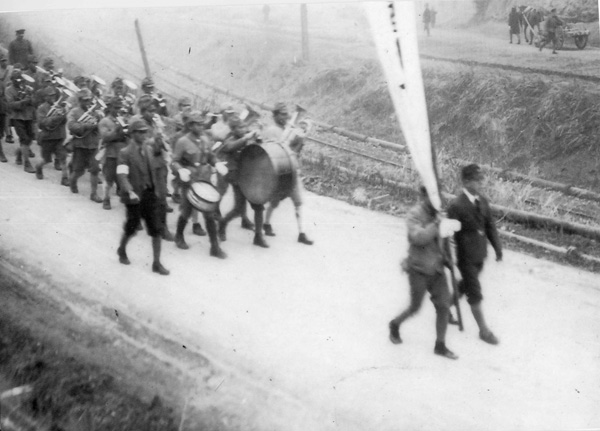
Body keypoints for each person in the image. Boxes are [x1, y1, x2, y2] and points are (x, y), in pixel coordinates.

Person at [388, 186, 460, 359]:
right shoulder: (414, 214)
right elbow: (418, 238)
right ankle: (395, 324)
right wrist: (436, 223)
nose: (437, 200)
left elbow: (444, 239)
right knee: (415, 307)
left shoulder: (440, 215)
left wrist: (448, 259)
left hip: (437, 270)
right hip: (418, 270)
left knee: (443, 306)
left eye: (438, 195)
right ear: (423, 196)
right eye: (432, 196)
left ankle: (440, 345)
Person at [447, 164, 502, 345]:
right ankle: (483, 331)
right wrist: (446, 255)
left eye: (481, 180)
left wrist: (497, 248)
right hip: (465, 257)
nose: (480, 184)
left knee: (464, 286)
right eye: (477, 180)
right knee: (474, 292)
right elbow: (448, 233)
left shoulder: (483, 202)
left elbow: (490, 226)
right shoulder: (457, 205)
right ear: (466, 181)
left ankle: (445, 306)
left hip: (480, 255)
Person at [115, 117, 170, 275]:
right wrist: (129, 190)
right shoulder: (125, 153)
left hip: (149, 194)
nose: (144, 135)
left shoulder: (148, 149)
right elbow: (122, 174)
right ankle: (122, 249)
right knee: (131, 228)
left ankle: (157, 263)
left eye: (145, 132)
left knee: (156, 229)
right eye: (140, 132)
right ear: (132, 134)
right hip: (134, 196)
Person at [172, 111, 228, 258]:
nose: (201, 126)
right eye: (198, 124)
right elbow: (174, 161)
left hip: (204, 179)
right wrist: (181, 170)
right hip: (189, 180)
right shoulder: (182, 141)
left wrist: (217, 164)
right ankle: (178, 236)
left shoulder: (204, 139)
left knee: (209, 213)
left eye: (202, 123)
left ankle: (214, 247)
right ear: (190, 125)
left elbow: (210, 156)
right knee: (186, 211)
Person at [262, 103, 313, 245]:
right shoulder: (272, 130)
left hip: (291, 171)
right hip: (280, 170)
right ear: (275, 115)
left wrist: (299, 141)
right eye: (283, 114)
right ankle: (265, 223)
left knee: (298, 202)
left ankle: (301, 233)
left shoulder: (289, 130)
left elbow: (294, 151)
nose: (288, 117)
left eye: (287, 114)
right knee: (275, 201)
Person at [217, 116, 268, 247]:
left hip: (250, 177)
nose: (243, 129)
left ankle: (258, 236)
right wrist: (246, 138)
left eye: (244, 127)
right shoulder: (229, 140)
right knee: (238, 209)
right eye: (239, 128)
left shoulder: (247, 138)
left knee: (258, 206)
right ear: (233, 130)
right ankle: (223, 223)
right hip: (237, 178)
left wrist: (259, 138)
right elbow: (230, 147)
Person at [134, 95, 174, 241]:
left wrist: (164, 140)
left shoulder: (156, 122)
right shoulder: (136, 123)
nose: (153, 114)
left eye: (154, 111)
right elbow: (136, 143)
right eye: (150, 111)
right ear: (143, 111)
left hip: (159, 163)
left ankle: (163, 228)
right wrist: (153, 140)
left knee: (162, 197)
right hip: (144, 165)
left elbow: (163, 138)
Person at [66, 88, 104, 202]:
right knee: (79, 171)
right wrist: (86, 126)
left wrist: (98, 120)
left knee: (95, 169)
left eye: (89, 100)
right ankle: (72, 182)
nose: (88, 103)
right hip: (80, 145)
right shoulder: (74, 112)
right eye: (85, 100)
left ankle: (93, 194)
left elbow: (100, 129)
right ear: (79, 100)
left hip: (93, 145)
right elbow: (72, 127)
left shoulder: (94, 112)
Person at [98, 96, 128, 209]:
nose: (118, 110)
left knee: (124, 177)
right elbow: (105, 137)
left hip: (123, 153)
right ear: (110, 108)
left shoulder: (123, 119)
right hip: (111, 153)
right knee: (109, 178)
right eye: (116, 108)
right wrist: (117, 129)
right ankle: (106, 199)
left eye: (120, 108)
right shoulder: (104, 121)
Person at [34, 86, 68, 183]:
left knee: (63, 157)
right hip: (47, 137)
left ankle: (64, 178)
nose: (53, 97)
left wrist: (63, 114)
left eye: (54, 95)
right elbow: (41, 123)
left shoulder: (59, 106)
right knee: (46, 159)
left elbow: (64, 121)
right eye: (50, 95)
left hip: (59, 136)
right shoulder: (41, 108)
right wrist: (54, 118)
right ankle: (39, 167)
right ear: (45, 97)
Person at [5, 69, 36, 172]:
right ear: (12, 79)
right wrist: (23, 101)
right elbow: (10, 105)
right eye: (16, 79)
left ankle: (20, 152)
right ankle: (27, 164)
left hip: (28, 116)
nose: (19, 81)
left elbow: (34, 102)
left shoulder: (27, 88)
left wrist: (30, 97)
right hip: (17, 117)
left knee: (30, 137)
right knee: (24, 138)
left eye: (20, 79)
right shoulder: (8, 90)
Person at [0, 53, 15, 144]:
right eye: (2, 61)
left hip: (9, 94)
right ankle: (8, 134)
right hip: (1, 95)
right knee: (5, 115)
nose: (4, 62)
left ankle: (8, 133)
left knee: (8, 115)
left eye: (5, 60)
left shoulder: (11, 69)